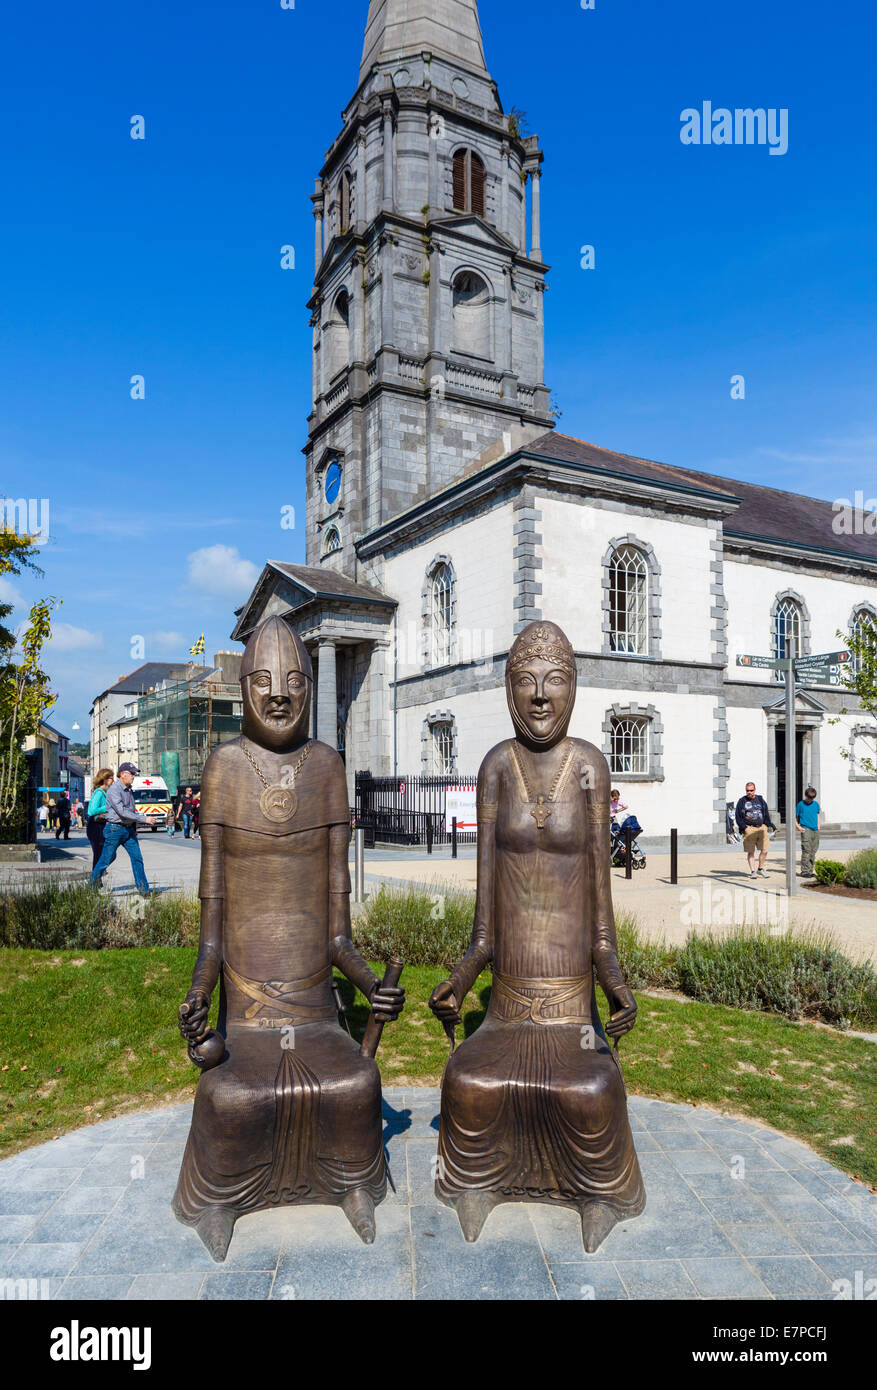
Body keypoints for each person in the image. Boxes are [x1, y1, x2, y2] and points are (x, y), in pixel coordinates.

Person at [429, 621, 645, 1252]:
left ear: (574, 688)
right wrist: (462, 978)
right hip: (508, 1008)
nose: (540, 696)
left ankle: (598, 1194)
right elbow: (483, 925)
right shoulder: (497, 766)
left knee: (589, 1091)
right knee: (470, 1083)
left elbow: (600, 921)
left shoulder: (589, 769)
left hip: (570, 1010)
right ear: (507, 691)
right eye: (525, 681)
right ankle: (477, 1186)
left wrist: (617, 987)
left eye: (555, 681)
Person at [90, 763, 152, 896]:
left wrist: (134, 826)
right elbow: (122, 811)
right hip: (115, 829)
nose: (134, 777)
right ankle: (91, 887)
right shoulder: (114, 789)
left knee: (137, 858)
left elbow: (130, 810)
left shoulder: (128, 789)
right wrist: (143, 819)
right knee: (105, 860)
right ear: (123, 774)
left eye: (134, 774)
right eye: (132, 774)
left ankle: (145, 891)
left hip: (128, 829)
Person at [735, 781, 776, 879]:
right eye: (747, 790)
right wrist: (744, 828)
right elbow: (738, 816)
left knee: (765, 850)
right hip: (749, 828)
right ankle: (753, 871)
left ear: (755, 790)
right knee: (751, 851)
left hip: (761, 828)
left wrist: (767, 824)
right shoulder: (742, 801)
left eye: (751, 790)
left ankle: (760, 868)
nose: (749, 792)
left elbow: (765, 811)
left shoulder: (760, 799)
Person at [86, 769, 115, 871]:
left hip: (100, 825)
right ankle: (95, 879)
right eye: (111, 778)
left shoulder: (104, 792)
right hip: (95, 826)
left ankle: (98, 875)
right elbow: (92, 811)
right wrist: (108, 806)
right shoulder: (99, 792)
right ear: (105, 779)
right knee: (99, 853)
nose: (113, 780)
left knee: (106, 854)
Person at [795, 786, 822, 878]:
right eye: (809, 798)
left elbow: (818, 814)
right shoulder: (800, 804)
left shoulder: (816, 804)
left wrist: (818, 826)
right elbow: (795, 817)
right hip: (805, 829)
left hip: (815, 829)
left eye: (812, 798)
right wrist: (798, 826)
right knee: (806, 850)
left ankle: (810, 870)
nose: (810, 800)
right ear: (805, 796)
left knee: (813, 851)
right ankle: (804, 871)